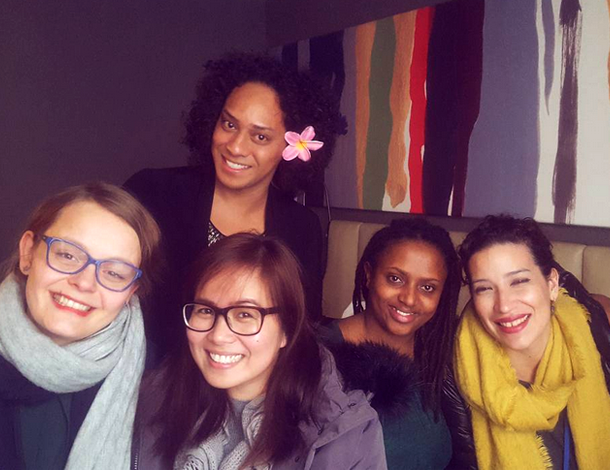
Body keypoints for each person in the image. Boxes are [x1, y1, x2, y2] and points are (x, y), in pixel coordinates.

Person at [124, 52, 346, 358]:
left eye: (260, 136)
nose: (236, 147)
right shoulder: (153, 192)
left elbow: (300, 329)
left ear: (289, 148)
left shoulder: (302, 227)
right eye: (229, 124)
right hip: (147, 372)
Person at [133, 233, 386, 470]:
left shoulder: (345, 432)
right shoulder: (152, 400)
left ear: (287, 329)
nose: (218, 335)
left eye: (245, 314)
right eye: (206, 310)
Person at [0, 182, 161, 470]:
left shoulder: (158, 381)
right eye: (67, 255)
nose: (85, 282)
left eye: (114, 273)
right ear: (28, 253)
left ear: (130, 293)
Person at [444, 214, 610, 470]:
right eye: (484, 288)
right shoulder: (455, 372)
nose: (504, 305)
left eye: (519, 281)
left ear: (551, 284)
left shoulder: (593, 326)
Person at [321, 218, 461, 469]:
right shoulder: (319, 358)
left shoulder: (442, 356)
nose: (409, 298)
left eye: (427, 287)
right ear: (368, 275)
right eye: (395, 279)